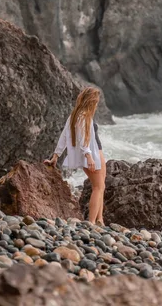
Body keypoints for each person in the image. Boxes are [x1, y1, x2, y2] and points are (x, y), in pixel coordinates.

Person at [45, 87, 106, 225]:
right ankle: (91, 222)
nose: (97, 105)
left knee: (101, 185)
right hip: (91, 153)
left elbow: (64, 136)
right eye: (96, 102)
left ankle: (100, 219)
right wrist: (88, 156)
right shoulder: (83, 116)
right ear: (91, 102)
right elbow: (82, 138)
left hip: (97, 150)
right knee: (98, 187)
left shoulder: (76, 115)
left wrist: (56, 155)